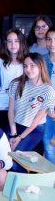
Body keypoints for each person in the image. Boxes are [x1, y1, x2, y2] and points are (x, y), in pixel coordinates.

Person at [8, 53, 55, 171]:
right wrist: (14, 133)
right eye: (25, 66)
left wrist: (20, 138)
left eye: (32, 65)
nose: (28, 69)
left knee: (17, 160)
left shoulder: (48, 90)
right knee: (7, 157)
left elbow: (37, 120)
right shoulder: (16, 84)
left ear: (40, 66)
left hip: (35, 129)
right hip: (16, 126)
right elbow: (11, 110)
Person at [0, 28, 28, 133]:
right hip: (1, 105)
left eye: (16, 41)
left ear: (22, 42)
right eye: (10, 41)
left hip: (21, 107)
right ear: (5, 43)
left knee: (17, 137)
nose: (13, 45)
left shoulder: (27, 61)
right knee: (1, 135)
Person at [43, 27, 55, 163]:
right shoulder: (42, 61)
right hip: (45, 110)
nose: (52, 43)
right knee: (48, 144)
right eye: (49, 39)